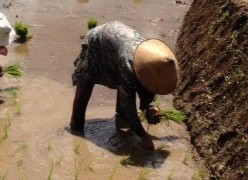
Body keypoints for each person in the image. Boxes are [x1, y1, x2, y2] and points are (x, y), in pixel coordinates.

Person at [70, 21, 179, 150]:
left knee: (125, 85)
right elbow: (128, 102)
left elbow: (148, 85)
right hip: (98, 40)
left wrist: (150, 106)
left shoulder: (149, 60)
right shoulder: (129, 65)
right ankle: (76, 126)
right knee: (86, 82)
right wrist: (143, 135)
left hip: (117, 43)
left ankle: (120, 116)